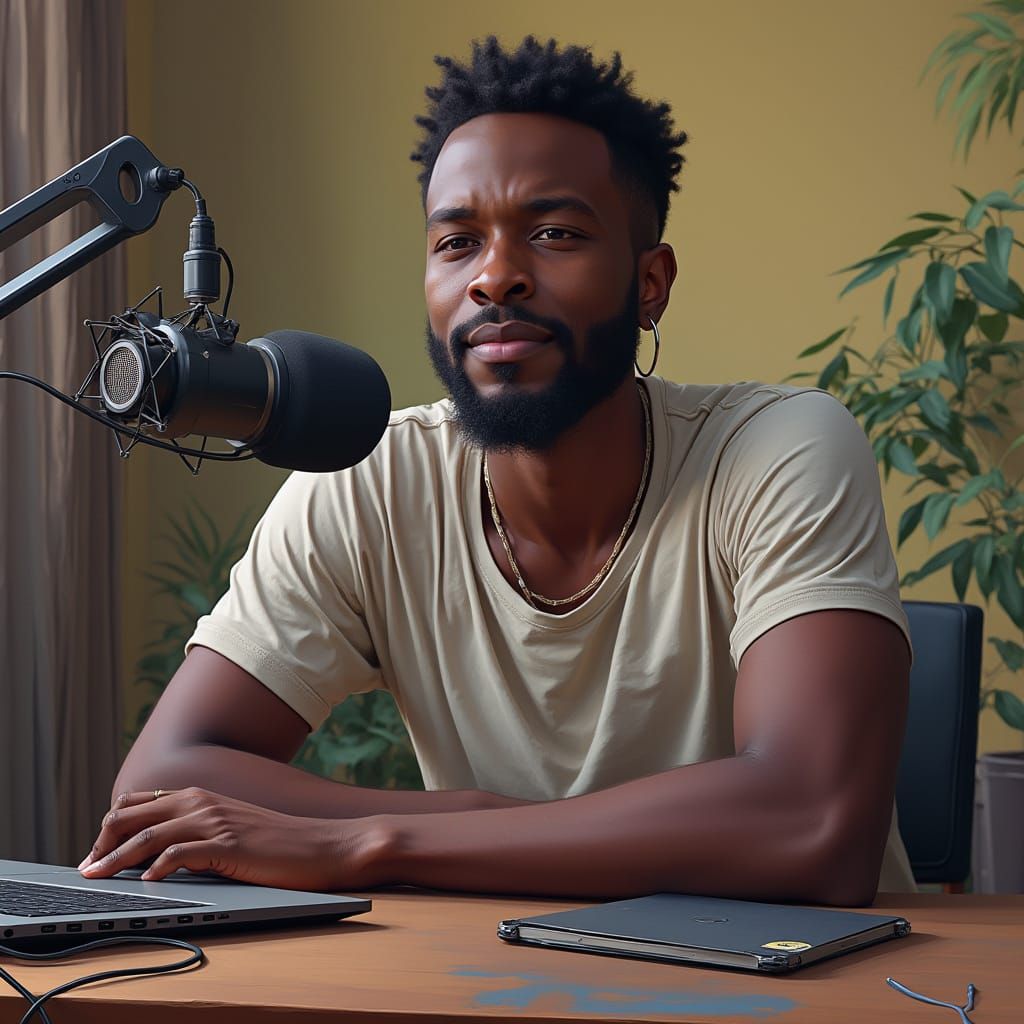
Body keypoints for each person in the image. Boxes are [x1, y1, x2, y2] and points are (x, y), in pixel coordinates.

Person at [80, 36, 914, 904]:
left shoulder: (780, 450)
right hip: (494, 978)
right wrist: (480, 819)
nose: (496, 278)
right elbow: (157, 789)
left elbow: (814, 824)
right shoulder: (369, 481)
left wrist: (372, 843)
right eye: (457, 243)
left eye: (555, 234)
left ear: (651, 283)